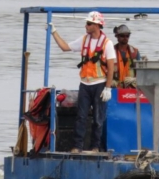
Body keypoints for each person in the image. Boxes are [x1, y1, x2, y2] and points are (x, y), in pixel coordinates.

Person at [49, 11, 115, 153]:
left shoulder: (107, 44)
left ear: (97, 25)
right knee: (81, 117)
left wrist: (108, 88)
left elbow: (111, 68)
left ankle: (95, 147)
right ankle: (77, 146)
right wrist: (54, 32)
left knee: (98, 118)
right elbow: (65, 47)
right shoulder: (84, 40)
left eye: (89, 23)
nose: (86, 26)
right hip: (85, 84)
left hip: (100, 84)